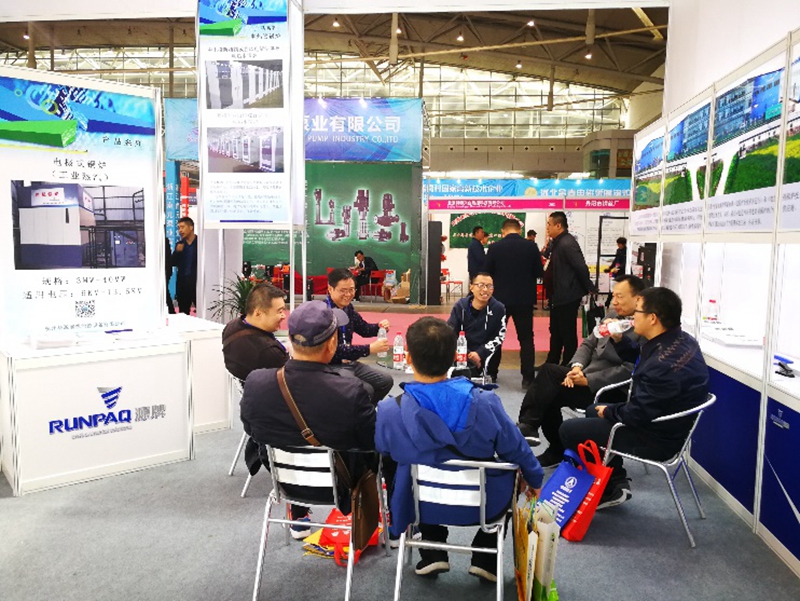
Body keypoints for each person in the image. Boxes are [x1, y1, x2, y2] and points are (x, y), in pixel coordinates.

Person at [375, 317, 543, 583]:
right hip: (485, 505)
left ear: (408, 358)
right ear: (456, 356)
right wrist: (534, 478)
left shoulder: (389, 411)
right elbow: (517, 449)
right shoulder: (485, 402)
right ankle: (486, 558)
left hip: (419, 504)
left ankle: (432, 550)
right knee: (512, 473)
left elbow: (385, 454)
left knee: (409, 466)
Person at [559, 287, 709, 509]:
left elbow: (637, 413)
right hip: (666, 422)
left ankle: (606, 487)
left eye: (637, 312)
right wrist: (620, 340)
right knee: (592, 410)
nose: (631, 318)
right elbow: (641, 360)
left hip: (657, 437)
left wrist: (610, 411)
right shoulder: (680, 340)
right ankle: (615, 480)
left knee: (569, 430)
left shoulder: (661, 365)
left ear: (652, 318)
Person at [240, 301, 376, 538]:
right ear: (332, 343)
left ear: (289, 339)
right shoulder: (350, 391)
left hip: (284, 482)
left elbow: (251, 429)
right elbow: (370, 442)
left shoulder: (256, 383)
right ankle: (397, 525)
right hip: (341, 485)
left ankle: (298, 515)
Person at [517, 275, 646, 467]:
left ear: (638, 298)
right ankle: (555, 447)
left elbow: (629, 370)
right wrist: (576, 367)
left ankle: (529, 425)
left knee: (550, 373)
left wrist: (588, 379)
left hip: (611, 389)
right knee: (548, 393)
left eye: (620, 297)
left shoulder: (643, 328)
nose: (614, 301)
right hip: (585, 378)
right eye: (613, 296)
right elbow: (588, 343)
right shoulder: (612, 315)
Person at [485, 218, 543, 387]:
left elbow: (486, 273)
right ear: (520, 230)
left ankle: (492, 373)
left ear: (503, 231)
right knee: (526, 339)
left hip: (499, 300)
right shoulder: (531, 247)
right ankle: (527, 378)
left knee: (496, 337)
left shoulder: (495, 248)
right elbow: (539, 272)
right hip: (524, 300)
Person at [326, 268, 393, 403]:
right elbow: (334, 351)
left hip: (350, 362)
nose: (348, 294)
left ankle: (365, 412)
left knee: (385, 381)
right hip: (332, 365)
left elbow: (364, 329)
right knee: (365, 389)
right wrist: (368, 349)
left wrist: (379, 327)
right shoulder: (323, 313)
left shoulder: (348, 308)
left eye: (351, 290)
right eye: (343, 290)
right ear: (330, 289)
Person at [543, 211, 593, 366]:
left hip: (567, 294)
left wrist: (588, 287)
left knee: (567, 332)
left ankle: (568, 363)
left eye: (549, 225)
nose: (547, 228)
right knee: (555, 331)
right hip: (558, 294)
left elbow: (580, 266)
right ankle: (552, 362)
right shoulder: (557, 242)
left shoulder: (567, 243)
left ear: (558, 226)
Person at [222, 283, 289, 383]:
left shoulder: (231, 326)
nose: (284, 316)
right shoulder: (269, 352)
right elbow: (291, 380)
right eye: (279, 311)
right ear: (258, 313)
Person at [446, 272, 506, 381]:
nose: (485, 290)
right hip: (462, 353)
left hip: (484, 355)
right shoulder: (460, 307)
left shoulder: (498, 309)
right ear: (472, 287)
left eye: (489, 286)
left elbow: (499, 336)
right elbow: (450, 333)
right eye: (481, 285)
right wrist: (468, 354)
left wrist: (480, 353)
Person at [173, 216, 198, 315]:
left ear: (191, 227)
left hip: (197, 282)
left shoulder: (200, 243)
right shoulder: (180, 244)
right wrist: (177, 252)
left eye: (182, 227)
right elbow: (173, 263)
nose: (180, 230)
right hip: (183, 284)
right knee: (183, 312)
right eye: (179, 228)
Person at [604, 237, 628, 308]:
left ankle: (608, 303)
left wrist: (619, 268)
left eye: (619, 244)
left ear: (622, 244)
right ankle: (607, 303)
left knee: (620, 288)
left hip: (623, 272)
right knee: (613, 287)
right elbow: (616, 260)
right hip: (617, 271)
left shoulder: (627, 251)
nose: (618, 245)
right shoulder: (618, 250)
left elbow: (625, 262)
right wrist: (610, 267)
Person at [165, 235, 175, 314]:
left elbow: (168, 258)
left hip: (165, 271)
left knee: (165, 291)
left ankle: (171, 311)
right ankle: (171, 310)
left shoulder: (164, 240)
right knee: (165, 292)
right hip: (167, 270)